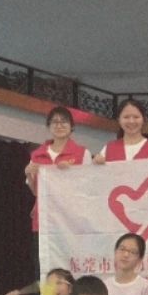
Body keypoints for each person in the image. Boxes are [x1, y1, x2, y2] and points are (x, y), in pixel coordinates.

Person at [23, 106, 92, 279]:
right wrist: (29, 174)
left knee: (71, 266)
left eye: (64, 121)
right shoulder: (37, 155)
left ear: (72, 126)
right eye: (55, 122)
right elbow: (36, 192)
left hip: (71, 220)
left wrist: (70, 173)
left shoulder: (82, 153)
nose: (59, 125)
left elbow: (88, 188)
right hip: (44, 220)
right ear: (48, 126)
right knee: (43, 267)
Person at [93, 99, 148, 163]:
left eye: (136, 117)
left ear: (143, 119)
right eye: (126, 117)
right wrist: (96, 164)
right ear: (119, 120)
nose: (131, 121)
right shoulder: (109, 149)